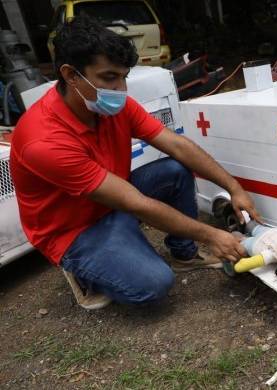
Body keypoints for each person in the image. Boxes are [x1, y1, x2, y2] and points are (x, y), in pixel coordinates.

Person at [9, 15, 261, 309]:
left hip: (114, 199)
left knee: (174, 170)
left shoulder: (111, 106)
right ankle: (85, 270)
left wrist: (233, 187)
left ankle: (181, 253)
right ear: (71, 74)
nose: (120, 90)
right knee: (153, 284)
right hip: (74, 227)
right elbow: (137, 203)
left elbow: (176, 145)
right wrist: (212, 235)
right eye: (108, 77)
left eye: (123, 77)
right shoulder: (43, 140)